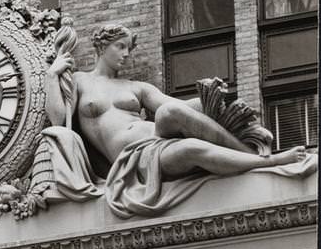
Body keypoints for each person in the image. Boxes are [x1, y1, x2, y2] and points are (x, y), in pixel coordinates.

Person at [43, 23, 315, 218]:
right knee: (191, 149)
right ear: (102, 46)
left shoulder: (137, 87)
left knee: (168, 113)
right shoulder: (79, 81)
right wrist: (52, 76)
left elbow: (176, 107)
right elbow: (57, 119)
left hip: (156, 140)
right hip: (135, 161)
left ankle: (250, 160)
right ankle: (267, 162)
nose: (126, 54)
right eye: (120, 46)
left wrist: (208, 96)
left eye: (129, 48)